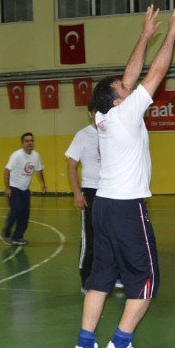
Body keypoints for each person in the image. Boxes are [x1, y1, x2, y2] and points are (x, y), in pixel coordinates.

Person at [72, 3, 175, 348]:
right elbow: (156, 71)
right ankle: (120, 344)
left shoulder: (104, 115)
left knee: (101, 278)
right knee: (146, 279)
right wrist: (170, 34)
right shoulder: (125, 113)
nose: (129, 84)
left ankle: (85, 345)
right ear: (118, 98)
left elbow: (132, 72)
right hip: (125, 207)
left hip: (103, 205)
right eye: (124, 86)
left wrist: (145, 34)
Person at [65, 105, 100, 290]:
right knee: (90, 237)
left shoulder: (112, 132)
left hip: (111, 191)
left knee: (113, 236)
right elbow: (71, 165)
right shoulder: (83, 135)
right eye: (96, 111)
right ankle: (86, 278)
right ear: (90, 114)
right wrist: (78, 192)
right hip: (91, 191)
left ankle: (114, 275)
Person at [1, 132, 46, 246]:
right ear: (22, 143)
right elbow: (6, 170)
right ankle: (5, 234)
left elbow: (39, 170)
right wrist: (7, 187)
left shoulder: (36, 155)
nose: (29, 143)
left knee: (25, 214)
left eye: (31, 140)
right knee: (15, 210)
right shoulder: (16, 155)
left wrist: (43, 183)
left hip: (25, 190)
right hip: (14, 188)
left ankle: (18, 236)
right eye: (27, 141)